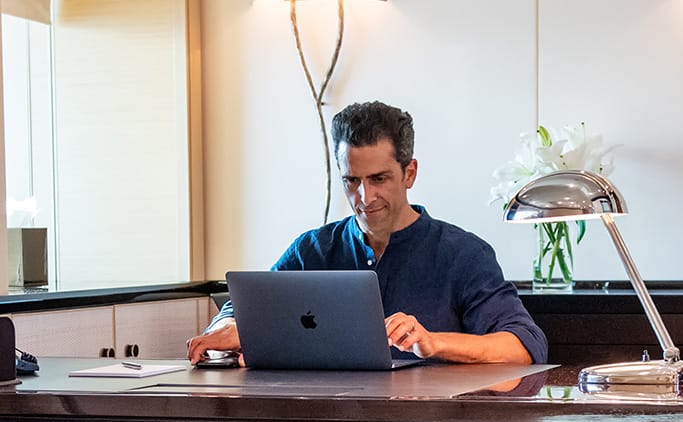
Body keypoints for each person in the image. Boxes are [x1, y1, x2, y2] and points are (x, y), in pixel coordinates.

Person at [187, 101, 547, 365]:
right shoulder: (312, 250)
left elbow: (523, 346)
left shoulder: (462, 255)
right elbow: (246, 304)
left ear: (409, 173)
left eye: (379, 179)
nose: (365, 197)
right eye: (352, 181)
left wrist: (433, 342)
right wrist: (231, 325)